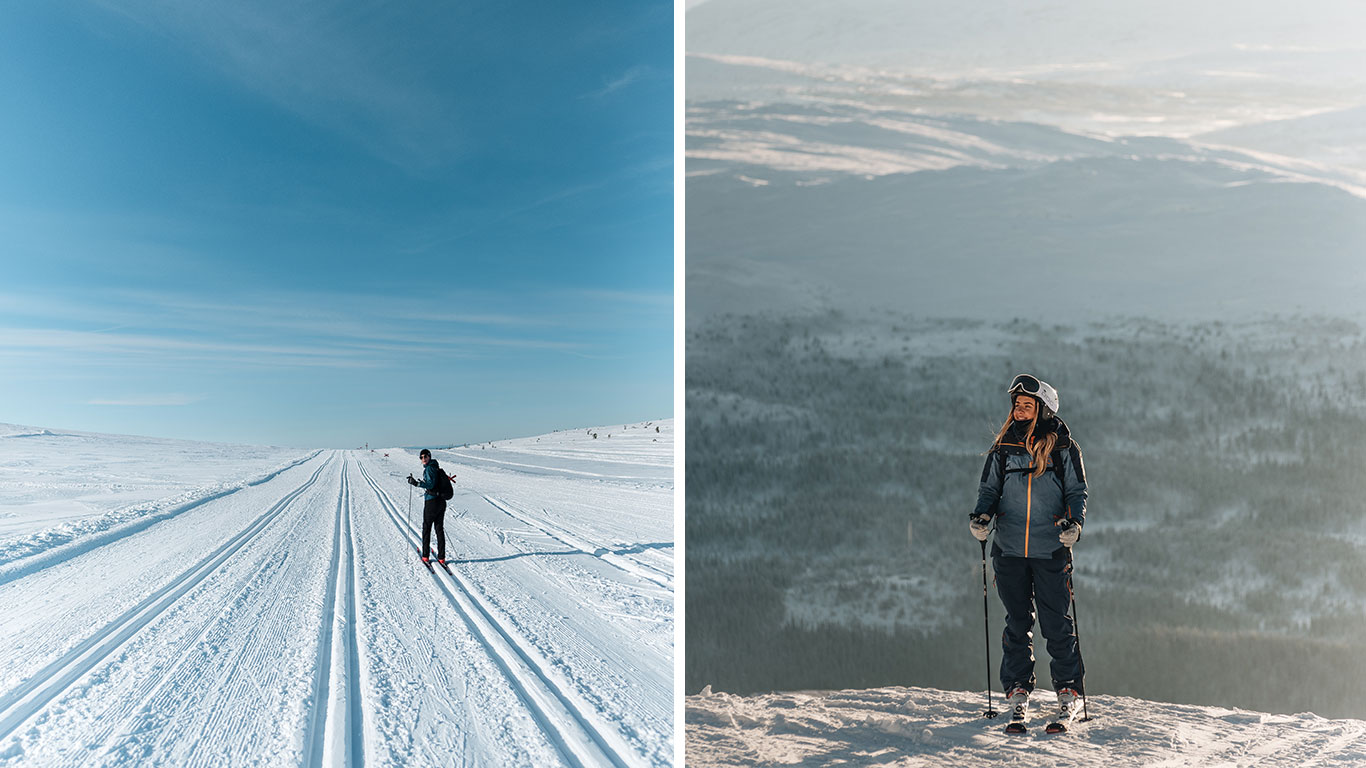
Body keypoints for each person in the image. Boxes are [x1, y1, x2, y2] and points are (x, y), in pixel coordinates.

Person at [970, 373, 1088, 726]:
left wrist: (1075, 524)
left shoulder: (1063, 448)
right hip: (1009, 551)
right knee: (1017, 624)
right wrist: (981, 516)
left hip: (1050, 549)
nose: (1020, 411)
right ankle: (1018, 691)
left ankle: (1068, 693)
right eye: (1017, 405)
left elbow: (1076, 492)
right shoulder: (1003, 448)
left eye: (1027, 405)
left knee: (1056, 625)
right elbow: (989, 490)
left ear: (1044, 409)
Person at [407, 449, 448, 565]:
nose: (423, 459)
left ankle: (425, 556)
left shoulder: (429, 468)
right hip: (441, 501)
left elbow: (430, 484)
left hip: (431, 502)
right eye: (421, 457)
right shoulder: (435, 467)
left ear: (429, 456)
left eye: (425, 456)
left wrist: (417, 483)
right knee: (439, 528)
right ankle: (441, 557)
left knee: (427, 528)